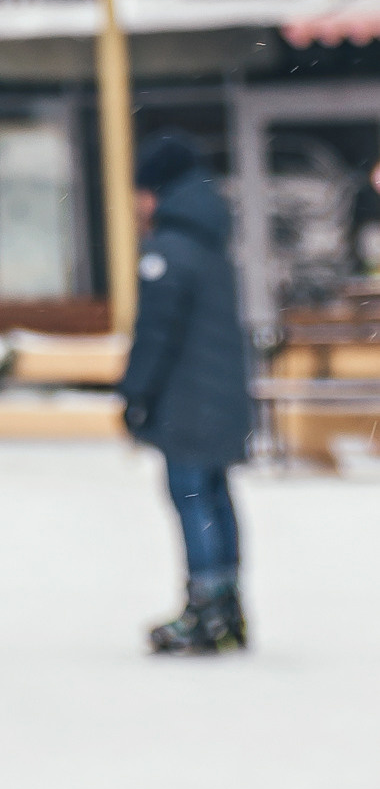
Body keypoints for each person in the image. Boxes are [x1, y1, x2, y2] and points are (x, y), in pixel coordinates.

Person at [121, 129, 254, 655]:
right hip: (217, 398)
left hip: (188, 403)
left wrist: (134, 394)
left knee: (192, 496)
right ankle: (227, 605)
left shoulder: (168, 251)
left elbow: (154, 335)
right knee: (214, 496)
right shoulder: (206, 242)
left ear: (154, 190)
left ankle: (206, 611)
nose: (134, 205)